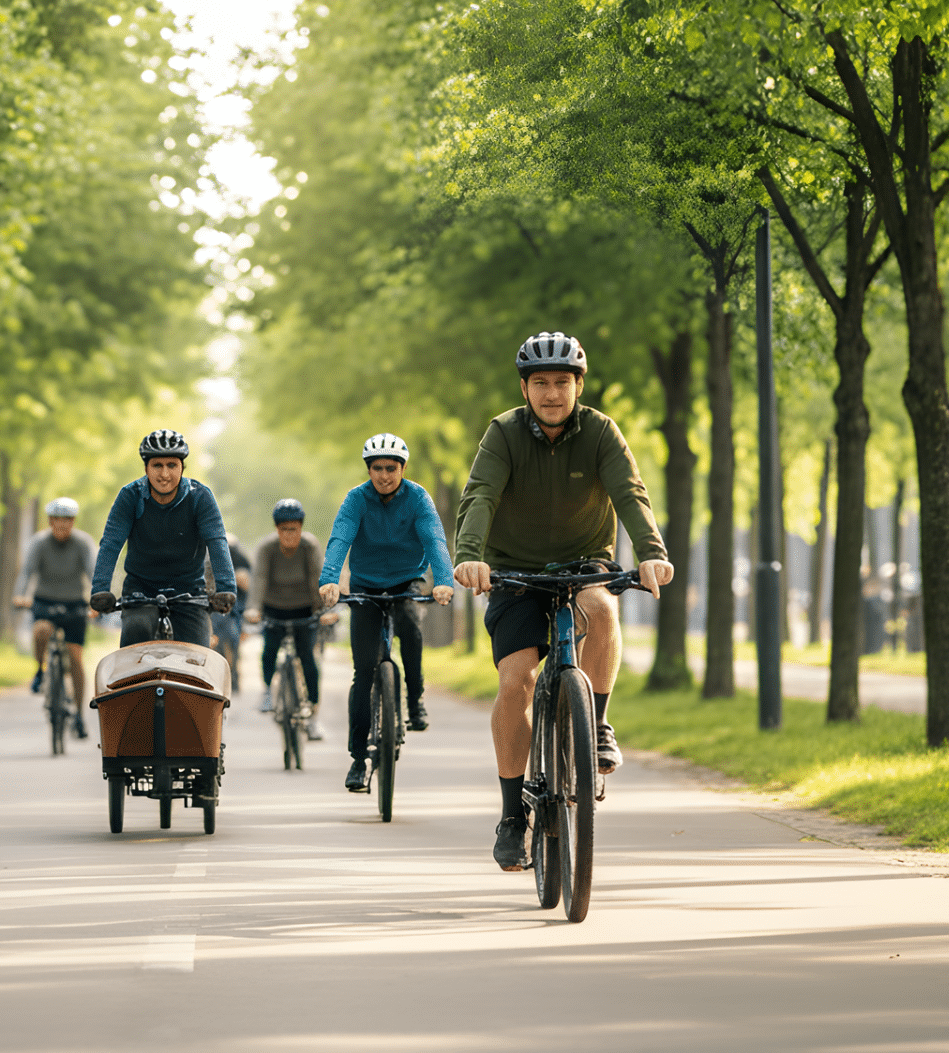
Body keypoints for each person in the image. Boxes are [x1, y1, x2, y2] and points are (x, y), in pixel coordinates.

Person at [450, 331, 673, 871]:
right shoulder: (502, 433)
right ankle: (511, 817)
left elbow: (630, 493)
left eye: (563, 382)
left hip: (583, 562)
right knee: (516, 680)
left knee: (601, 608)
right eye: (541, 383)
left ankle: (594, 725)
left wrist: (650, 552)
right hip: (513, 571)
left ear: (578, 386)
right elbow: (479, 495)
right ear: (525, 388)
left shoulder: (600, 432)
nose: (553, 393)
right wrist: (471, 555)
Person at [318, 434, 456, 793]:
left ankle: (415, 698)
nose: (383, 475)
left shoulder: (418, 498)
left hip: (406, 579)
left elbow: (434, 540)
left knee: (410, 625)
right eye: (377, 469)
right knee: (363, 672)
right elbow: (340, 539)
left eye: (391, 469)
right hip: (364, 585)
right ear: (369, 470)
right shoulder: (356, 499)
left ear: (402, 469)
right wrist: (330, 581)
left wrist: (443, 580)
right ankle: (358, 757)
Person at [90, 429, 236, 649]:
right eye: (157, 465)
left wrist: (226, 587)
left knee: (198, 664)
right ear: (146, 468)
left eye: (172, 465)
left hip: (189, 591)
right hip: (140, 590)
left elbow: (217, 542)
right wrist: (100, 588)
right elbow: (111, 543)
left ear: (182, 467)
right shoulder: (131, 496)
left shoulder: (200, 497)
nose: (164, 474)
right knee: (133, 660)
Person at [247, 498, 339, 738]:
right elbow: (259, 580)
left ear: (301, 528)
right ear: (277, 530)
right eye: (284, 530)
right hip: (274, 608)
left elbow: (319, 577)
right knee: (269, 650)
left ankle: (312, 716)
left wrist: (326, 611)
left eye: (294, 529)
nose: (289, 535)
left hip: (304, 610)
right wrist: (254, 609)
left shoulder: (309, 546)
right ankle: (267, 690)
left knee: (308, 659)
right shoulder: (267, 548)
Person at [14, 496, 97, 739]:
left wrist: (97, 600)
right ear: (50, 521)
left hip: (75, 604)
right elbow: (27, 572)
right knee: (41, 630)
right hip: (45, 601)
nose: (62, 525)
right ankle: (40, 670)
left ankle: (80, 717)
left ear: (73, 521)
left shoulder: (82, 543)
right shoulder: (39, 543)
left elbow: (93, 573)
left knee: (75, 658)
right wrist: (20, 596)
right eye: (58, 520)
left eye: (67, 520)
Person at [206, 536, 252, 693]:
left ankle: (235, 677)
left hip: (234, 610)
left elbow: (249, 592)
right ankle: (216, 676)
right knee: (214, 642)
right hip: (214, 609)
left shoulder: (242, 562)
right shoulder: (209, 561)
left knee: (233, 639)